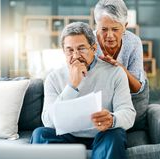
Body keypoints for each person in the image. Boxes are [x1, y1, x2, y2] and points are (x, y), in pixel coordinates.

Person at [30, 22, 136, 159]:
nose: (75, 55)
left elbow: (128, 113)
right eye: (69, 50)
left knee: (116, 134)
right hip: (67, 136)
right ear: (63, 51)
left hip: (102, 134)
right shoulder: (53, 78)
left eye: (81, 48)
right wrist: (72, 86)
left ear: (94, 48)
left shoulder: (115, 73)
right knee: (40, 134)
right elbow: (48, 121)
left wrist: (112, 119)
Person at [94, 0, 149, 130]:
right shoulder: (89, 42)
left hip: (122, 109)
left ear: (125, 26)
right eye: (103, 29)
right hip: (96, 107)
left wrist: (120, 68)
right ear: (97, 25)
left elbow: (137, 88)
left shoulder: (133, 43)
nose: (109, 35)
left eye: (115, 29)